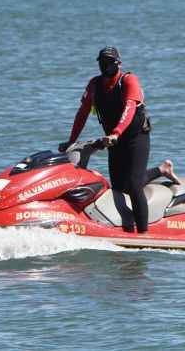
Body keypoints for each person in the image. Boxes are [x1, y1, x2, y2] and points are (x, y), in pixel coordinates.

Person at [59, 47, 152, 233]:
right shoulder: (94, 85)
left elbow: (129, 109)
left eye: (109, 62)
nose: (105, 66)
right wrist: (71, 141)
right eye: (102, 62)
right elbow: (82, 113)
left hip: (135, 138)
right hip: (114, 141)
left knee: (133, 185)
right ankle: (124, 227)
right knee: (117, 187)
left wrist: (116, 132)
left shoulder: (128, 80)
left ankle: (144, 232)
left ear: (118, 63)